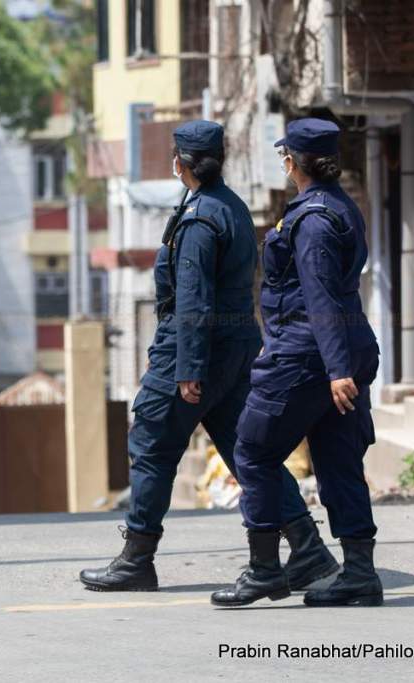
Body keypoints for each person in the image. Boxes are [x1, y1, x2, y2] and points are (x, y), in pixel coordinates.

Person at [80, 120, 337, 592]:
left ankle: (137, 559)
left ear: (180, 164)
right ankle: (308, 549)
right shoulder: (230, 207)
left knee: (152, 446)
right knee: (249, 453)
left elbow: (194, 299)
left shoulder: (200, 219)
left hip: (198, 350)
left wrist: (188, 368)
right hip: (236, 352)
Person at [211, 118, 382, 608]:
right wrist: (340, 366)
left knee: (254, 451)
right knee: (337, 460)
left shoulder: (312, 222)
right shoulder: (341, 207)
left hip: (308, 357)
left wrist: (335, 371)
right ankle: (359, 573)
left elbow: (320, 297)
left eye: (283, 156)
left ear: (291, 161)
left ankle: (265, 570)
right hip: (340, 350)